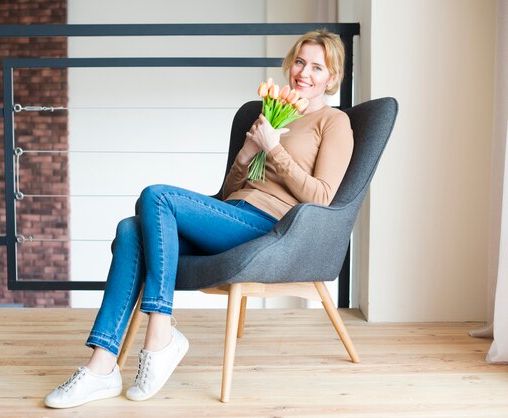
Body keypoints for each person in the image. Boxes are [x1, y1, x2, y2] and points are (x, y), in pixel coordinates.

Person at [43, 28, 353, 409]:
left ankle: (160, 333)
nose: (304, 72)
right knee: (130, 230)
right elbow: (228, 191)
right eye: (301, 62)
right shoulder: (271, 112)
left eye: (317, 67)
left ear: (332, 78)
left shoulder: (333, 123)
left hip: (271, 229)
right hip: (234, 212)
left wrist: (275, 149)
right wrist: (249, 151)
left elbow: (322, 196)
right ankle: (101, 366)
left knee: (157, 196)